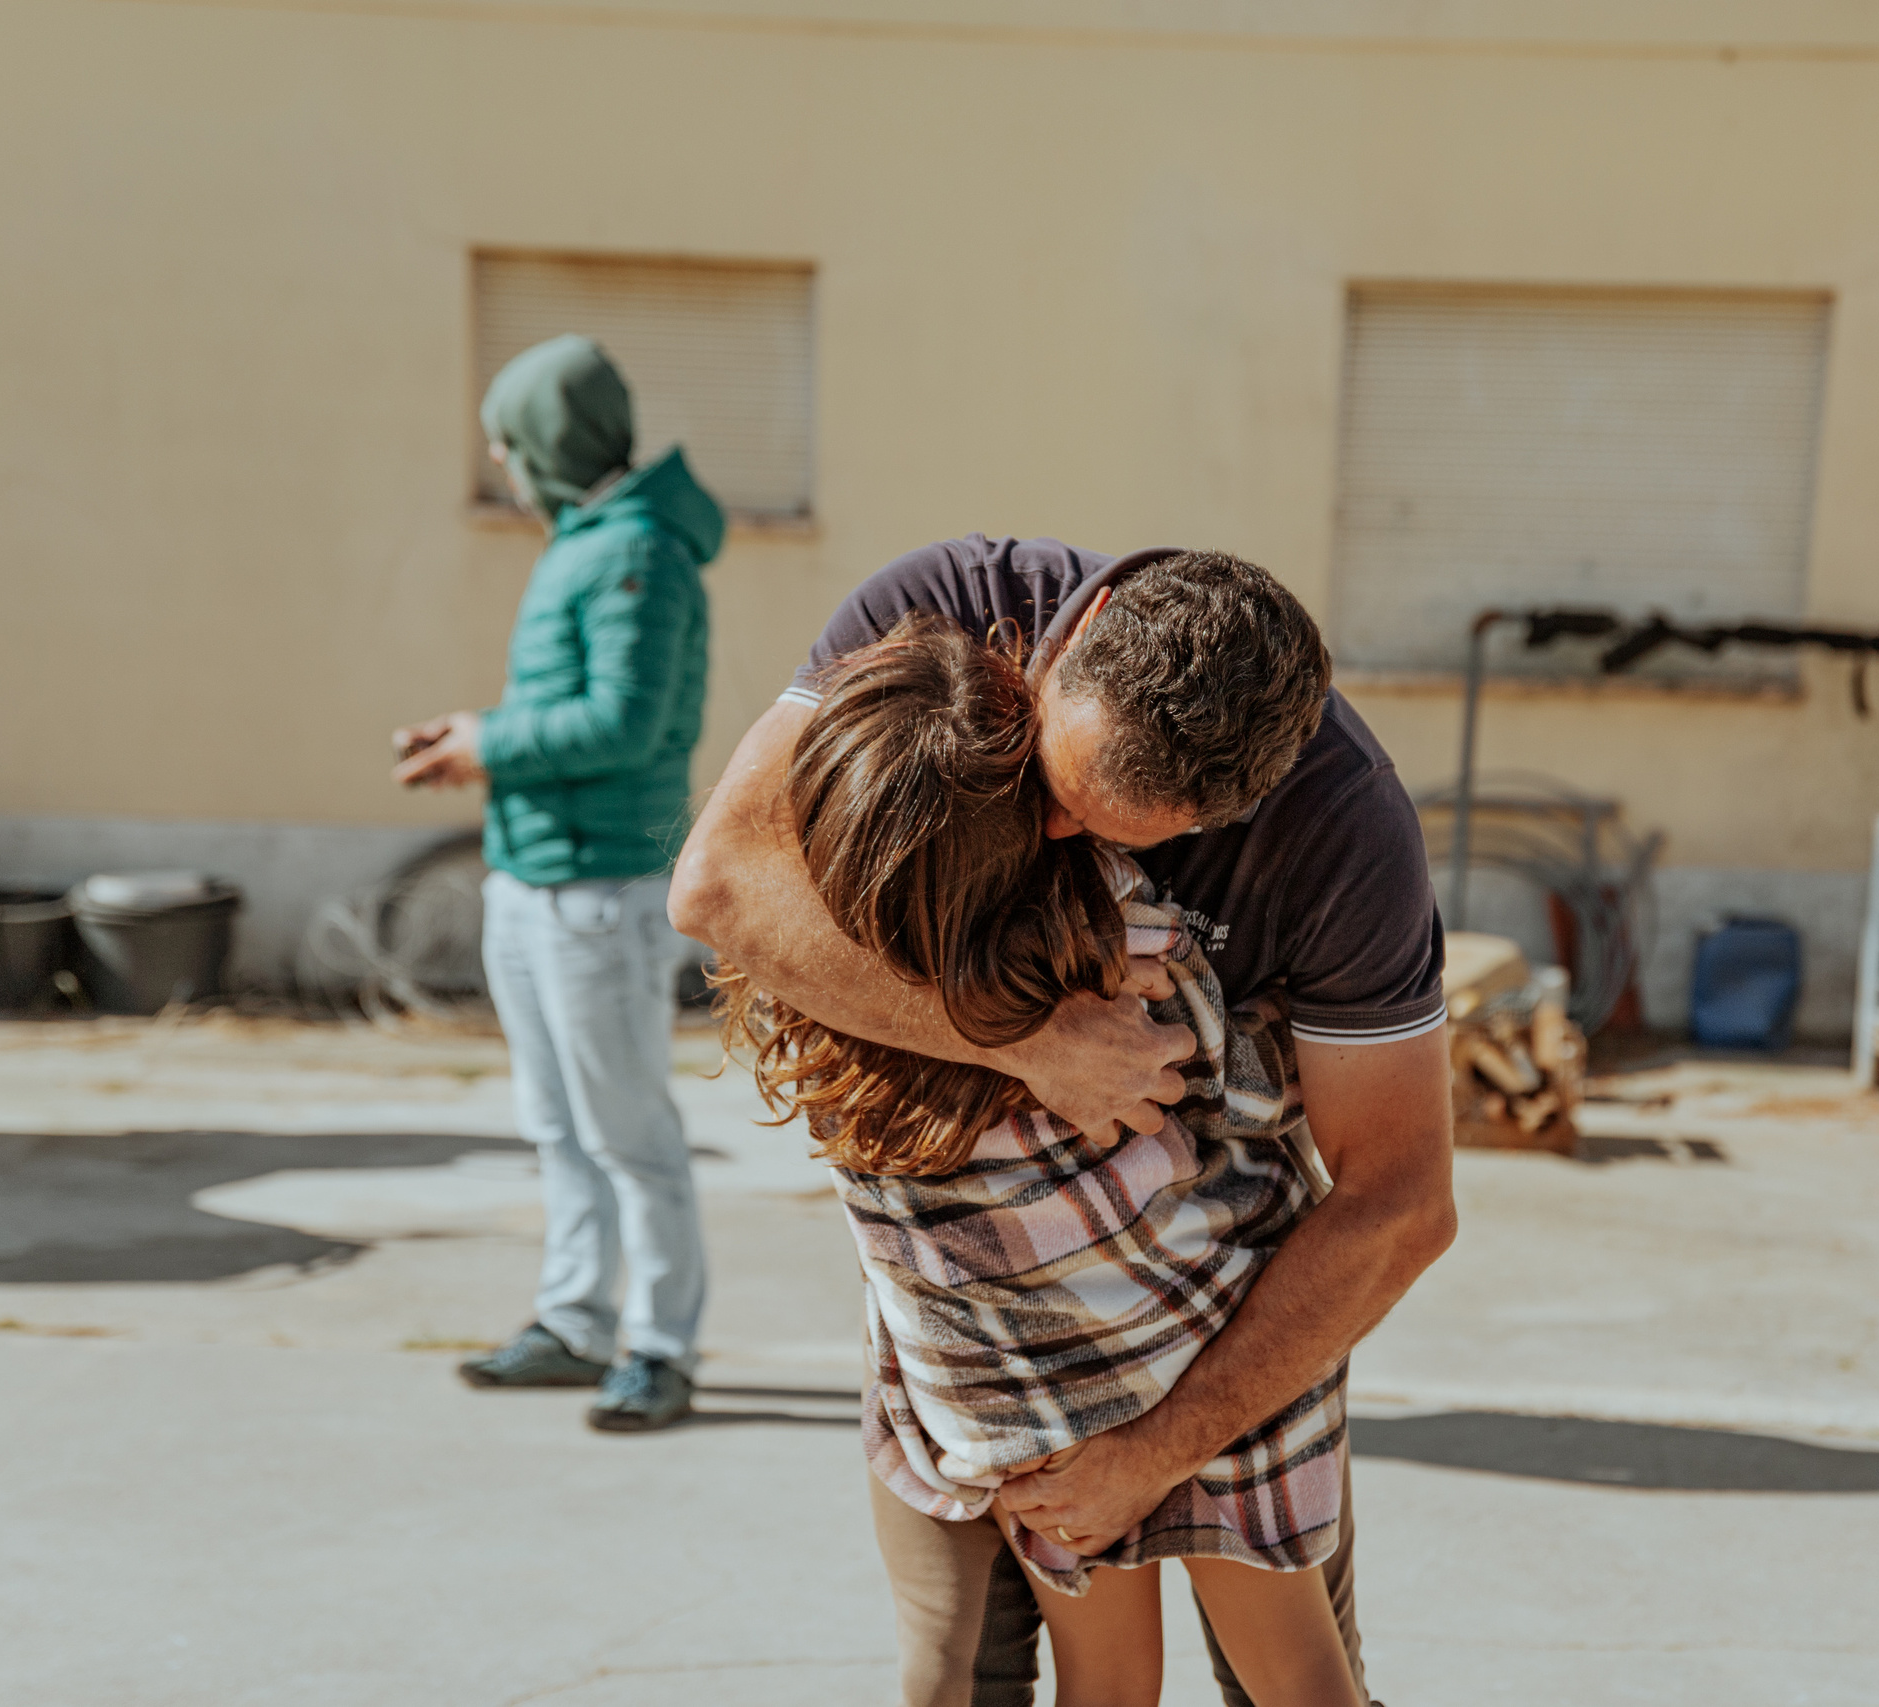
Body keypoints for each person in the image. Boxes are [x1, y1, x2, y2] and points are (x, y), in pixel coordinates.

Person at [671, 537, 1456, 1703]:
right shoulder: (929, 626)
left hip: (1146, 1368)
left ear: (1221, 818)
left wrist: (1154, 1453)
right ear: (1065, 642)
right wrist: (1029, 1040)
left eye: (1107, 833)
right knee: (982, 1666)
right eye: (1039, 788)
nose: (1052, 842)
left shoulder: (1339, 837)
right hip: (1151, 1318)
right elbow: (718, 887)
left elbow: (1399, 1202)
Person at [395, 334, 723, 1432]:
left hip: (600, 890)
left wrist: (486, 741)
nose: (497, 456)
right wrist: (476, 742)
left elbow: (626, 723)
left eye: (508, 437)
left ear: (551, 441)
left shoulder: (641, 551)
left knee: (628, 1128)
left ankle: (662, 1345)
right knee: (558, 1124)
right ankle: (576, 1321)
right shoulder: (585, 539)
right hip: (526, 876)